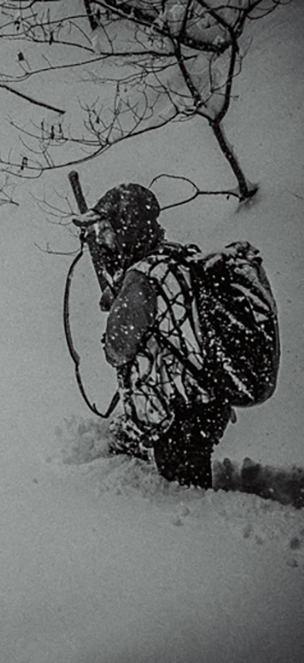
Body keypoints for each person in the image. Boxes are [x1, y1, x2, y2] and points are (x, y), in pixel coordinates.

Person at [74, 183, 232, 489]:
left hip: (179, 414)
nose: (103, 239)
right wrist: (122, 292)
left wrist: (121, 310)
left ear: (127, 228)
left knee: (185, 499)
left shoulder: (142, 277)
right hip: (207, 401)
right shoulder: (176, 257)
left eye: (107, 229)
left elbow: (118, 349)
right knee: (190, 478)